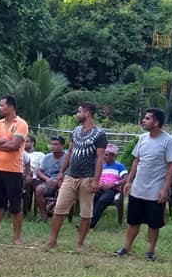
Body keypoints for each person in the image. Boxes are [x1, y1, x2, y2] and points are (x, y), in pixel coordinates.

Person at [115, 108, 172, 260]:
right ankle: (126, 247)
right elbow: (136, 160)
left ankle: (150, 251)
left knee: (154, 224)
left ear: (156, 122)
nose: (144, 120)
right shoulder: (142, 138)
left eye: (147, 118)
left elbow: (171, 166)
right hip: (138, 188)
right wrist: (129, 181)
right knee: (133, 221)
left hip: (155, 190)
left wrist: (165, 189)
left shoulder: (168, 141)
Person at [46, 102, 106, 250]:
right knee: (59, 209)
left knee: (86, 213)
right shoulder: (76, 131)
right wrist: (62, 172)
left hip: (88, 178)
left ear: (87, 113)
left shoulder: (100, 134)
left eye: (79, 111)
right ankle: (52, 241)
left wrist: (96, 180)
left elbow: (100, 158)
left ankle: (79, 243)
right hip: (70, 176)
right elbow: (70, 152)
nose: (77, 114)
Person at [0, 95, 29, 245]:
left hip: (13, 171)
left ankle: (17, 237)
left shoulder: (21, 124)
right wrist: (3, 141)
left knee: (15, 205)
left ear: (11, 107)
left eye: (2, 105)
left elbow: (14, 145)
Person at [90, 143, 128, 228]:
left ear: (113, 156)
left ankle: (91, 224)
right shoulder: (102, 166)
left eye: (106, 155)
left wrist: (113, 184)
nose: (104, 156)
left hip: (112, 190)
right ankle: (86, 222)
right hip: (100, 188)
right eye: (103, 154)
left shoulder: (119, 166)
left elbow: (126, 178)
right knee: (90, 198)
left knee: (102, 200)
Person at [34, 136, 66, 220]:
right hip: (48, 182)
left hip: (63, 183)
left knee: (62, 191)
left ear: (62, 146)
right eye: (51, 144)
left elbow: (70, 174)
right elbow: (39, 171)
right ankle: (44, 216)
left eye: (56, 144)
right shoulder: (47, 157)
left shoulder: (67, 158)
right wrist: (46, 179)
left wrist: (60, 181)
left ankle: (56, 215)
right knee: (39, 190)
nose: (53, 146)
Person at [22, 134, 44, 215]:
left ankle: (36, 212)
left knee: (34, 183)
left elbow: (42, 169)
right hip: (22, 176)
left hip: (35, 177)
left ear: (33, 143)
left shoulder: (39, 154)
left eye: (27, 141)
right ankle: (24, 211)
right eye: (24, 142)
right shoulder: (21, 153)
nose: (25, 143)